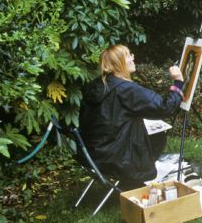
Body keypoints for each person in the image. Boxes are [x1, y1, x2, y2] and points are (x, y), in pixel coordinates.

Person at [79, 44, 184, 189]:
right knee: (158, 136)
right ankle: (132, 181)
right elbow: (165, 108)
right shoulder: (126, 89)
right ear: (119, 63)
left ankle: (131, 181)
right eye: (128, 55)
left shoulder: (95, 85)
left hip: (92, 155)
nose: (133, 58)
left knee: (152, 132)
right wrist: (178, 81)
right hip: (114, 159)